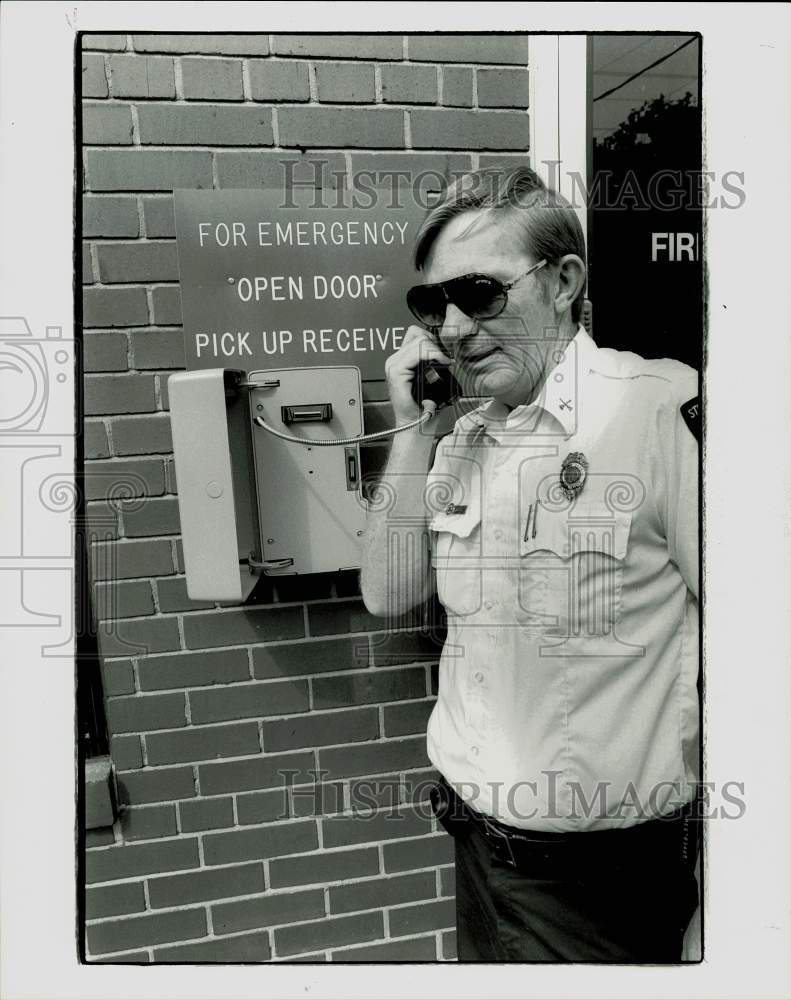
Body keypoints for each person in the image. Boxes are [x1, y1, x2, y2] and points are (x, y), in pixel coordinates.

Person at [360, 166, 701, 962]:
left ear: (563, 282)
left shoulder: (657, 412)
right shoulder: (466, 438)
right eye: (430, 304)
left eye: (478, 294)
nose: (451, 327)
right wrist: (411, 427)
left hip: (598, 879)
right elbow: (386, 591)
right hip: (476, 844)